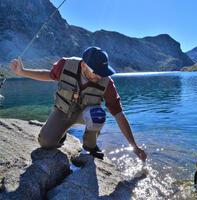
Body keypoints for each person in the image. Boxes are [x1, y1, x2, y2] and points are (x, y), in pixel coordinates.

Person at [10, 46, 147, 161]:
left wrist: (134, 145)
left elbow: (118, 114)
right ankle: (61, 134)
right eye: (96, 72)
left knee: (98, 115)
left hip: (86, 115)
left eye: (103, 72)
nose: (100, 76)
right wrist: (22, 72)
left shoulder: (107, 82)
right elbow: (49, 75)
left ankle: (90, 146)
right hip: (63, 111)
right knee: (45, 143)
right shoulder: (65, 64)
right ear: (83, 65)